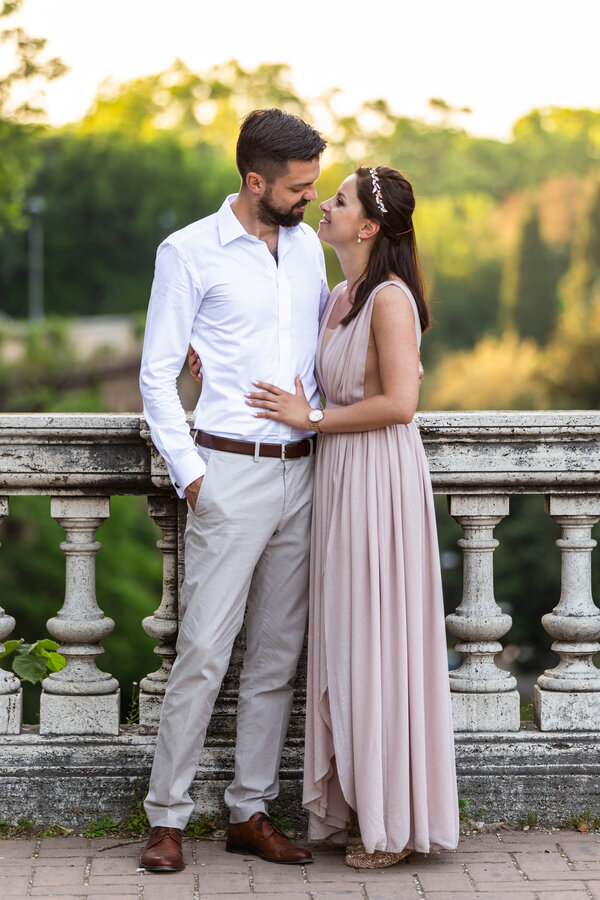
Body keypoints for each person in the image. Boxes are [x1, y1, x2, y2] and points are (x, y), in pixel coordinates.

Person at [245, 165, 459, 867]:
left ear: (368, 226)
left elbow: (401, 404)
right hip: (337, 477)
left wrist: (311, 418)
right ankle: (356, 804)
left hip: (379, 480)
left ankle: (390, 822)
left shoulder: (390, 300)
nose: (323, 206)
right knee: (342, 641)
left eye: (336, 200)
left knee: (377, 643)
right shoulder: (339, 295)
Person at [138, 108, 329, 872]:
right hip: (229, 473)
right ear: (256, 182)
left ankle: (251, 812)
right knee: (204, 652)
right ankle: (166, 819)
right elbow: (157, 375)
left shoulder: (312, 247)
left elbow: (328, 344)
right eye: (299, 186)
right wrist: (193, 480)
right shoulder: (186, 252)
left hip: (305, 473)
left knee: (278, 656)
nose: (311, 196)